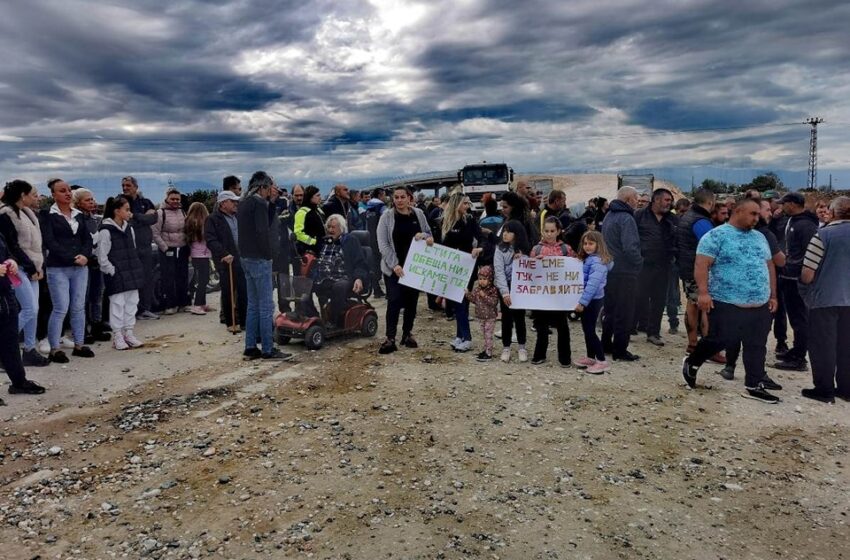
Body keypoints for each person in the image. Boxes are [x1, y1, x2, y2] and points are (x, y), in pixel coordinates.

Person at [681, 198, 781, 403]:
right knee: (719, 339)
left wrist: (773, 295)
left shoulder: (760, 237)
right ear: (737, 212)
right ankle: (693, 361)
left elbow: (769, 266)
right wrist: (703, 293)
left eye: (758, 214)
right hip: (727, 300)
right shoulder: (716, 236)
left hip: (759, 302)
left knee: (757, 344)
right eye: (753, 214)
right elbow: (702, 264)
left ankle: (754, 384)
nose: (757, 218)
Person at [718, 200, 787, 380]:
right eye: (761, 211)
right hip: (735, 296)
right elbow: (779, 261)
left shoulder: (763, 235)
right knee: (741, 334)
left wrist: (772, 295)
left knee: (756, 338)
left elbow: (770, 265)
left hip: (759, 296)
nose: (767, 214)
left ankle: (752, 374)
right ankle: (740, 369)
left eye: (762, 212)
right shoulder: (763, 234)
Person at [799, 196, 850, 403]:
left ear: (833, 211)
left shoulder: (823, 235)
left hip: (825, 299)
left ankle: (824, 389)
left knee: (823, 345)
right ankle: (846, 388)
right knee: (846, 345)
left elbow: (808, 273)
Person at [237, 171, 293, 361]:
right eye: (270, 187)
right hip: (260, 258)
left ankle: (250, 346)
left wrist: (272, 203)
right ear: (263, 187)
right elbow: (263, 231)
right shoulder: (259, 203)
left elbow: (262, 223)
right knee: (266, 305)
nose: (272, 190)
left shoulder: (244, 203)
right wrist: (269, 255)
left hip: (245, 257)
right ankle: (268, 348)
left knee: (253, 304)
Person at [40, 178, 94, 363]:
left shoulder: (78, 215)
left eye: (69, 190)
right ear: (53, 194)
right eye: (62, 191)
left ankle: (79, 344)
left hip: (80, 267)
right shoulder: (47, 214)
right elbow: (49, 241)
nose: (67, 193)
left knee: (78, 307)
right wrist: (71, 258)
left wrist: (85, 256)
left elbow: (86, 239)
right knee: (61, 307)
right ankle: (55, 348)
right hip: (58, 268)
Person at [376, 185, 433, 354]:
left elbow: (428, 233)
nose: (399, 200)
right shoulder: (386, 217)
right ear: (392, 199)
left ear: (409, 198)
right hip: (393, 267)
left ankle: (407, 333)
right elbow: (383, 244)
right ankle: (390, 337)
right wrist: (395, 264)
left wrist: (427, 238)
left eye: (403, 197)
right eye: (396, 197)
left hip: (414, 267)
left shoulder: (419, 214)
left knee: (411, 302)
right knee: (393, 301)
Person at [0, 180, 49, 366]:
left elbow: (37, 243)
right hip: (17, 267)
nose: (34, 197)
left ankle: (29, 350)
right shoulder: (6, 215)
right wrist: (31, 266)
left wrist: (37, 266)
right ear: (22, 195)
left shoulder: (27, 213)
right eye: (32, 194)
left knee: (33, 310)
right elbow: (13, 245)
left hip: (32, 267)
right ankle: (4, 347)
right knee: (29, 309)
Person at [774, 192, 819, 371]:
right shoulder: (793, 221)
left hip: (796, 278)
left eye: (783, 204)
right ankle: (796, 350)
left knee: (800, 318)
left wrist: (798, 271)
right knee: (794, 317)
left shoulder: (806, 225)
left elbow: (809, 253)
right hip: (788, 275)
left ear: (792, 204)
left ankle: (800, 358)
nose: (781, 207)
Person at [0, 234, 46, 403]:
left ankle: (19, 382)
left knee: (10, 343)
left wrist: (12, 262)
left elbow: (7, 253)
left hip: (5, 294)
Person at [96, 196, 145, 350]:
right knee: (117, 304)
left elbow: (133, 248)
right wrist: (112, 270)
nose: (129, 213)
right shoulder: (105, 231)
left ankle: (128, 333)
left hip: (131, 271)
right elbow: (102, 256)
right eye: (127, 209)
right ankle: (117, 335)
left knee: (132, 302)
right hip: (117, 274)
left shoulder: (129, 228)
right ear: (117, 211)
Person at [601, 186, 643, 361]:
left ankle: (605, 345)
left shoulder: (609, 215)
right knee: (625, 313)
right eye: (636, 198)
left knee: (609, 310)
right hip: (625, 272)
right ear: (627, 200)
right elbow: (630, 247)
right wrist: (640, 262)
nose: (638, 201)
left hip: (610, 270)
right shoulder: (626, 219)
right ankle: (620, 350)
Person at [441, 192, 485, 351]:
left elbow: (481, 237)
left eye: (468, 204)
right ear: (456, 204)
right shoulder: (447, 222)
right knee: (457, 302)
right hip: (452, 267)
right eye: (465, 203)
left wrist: (479, 248)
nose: (467, 206)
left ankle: (466, 337)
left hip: (467, 267)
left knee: (461, 301)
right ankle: (460, 335)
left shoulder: (470, 221)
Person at [309, 214, 370, 325]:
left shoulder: (350, 241)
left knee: (339, 287)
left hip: (344, 277)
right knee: (304, 286)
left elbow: (360, 263)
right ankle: (313, 317)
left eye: (334, 227)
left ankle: (334, 321)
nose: (331, 230)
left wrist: (359, 278)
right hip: (324, 277)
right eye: (329, 227)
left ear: (341, 229)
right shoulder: (324, 241)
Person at [633, 188, 675, 346]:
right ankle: (630, 327)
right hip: (643, 265)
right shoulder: (639, 215)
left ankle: (653, 333)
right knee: (638, 297)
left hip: (663, 266)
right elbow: (632, 238)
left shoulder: (671, 219)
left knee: (659, 300)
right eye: (667, 200)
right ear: (656, 200)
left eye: (670, 201)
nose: (669, 204)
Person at [677, 188, 716, 353]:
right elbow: (712, 246)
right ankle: (707, 347)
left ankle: (693, 344)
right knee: (705, 307)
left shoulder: (687, 216)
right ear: (710, 202)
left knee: (692, 304)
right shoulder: (701, 221)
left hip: (686, 267)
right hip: (698, 269)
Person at [529, 217, 573, 367]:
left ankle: (565, 358)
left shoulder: (566, 249)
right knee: (541, 326)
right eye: (546, 231)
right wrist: (534, 262)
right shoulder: (536, 249)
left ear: (558, 231)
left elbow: (573, 270)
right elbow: (529, 271)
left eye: (552, 231)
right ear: (542, 231)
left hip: (559, 295)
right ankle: (539, 354)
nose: (549, 234)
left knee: (562, 326)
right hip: (542, 295)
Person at [72, 188, 111, 344]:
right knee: (83, 297)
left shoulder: (97, 220)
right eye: (87, 200)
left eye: (92, 199)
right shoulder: (75, 220)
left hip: (97, 262)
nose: (92, 202)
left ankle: (96, 324)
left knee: (97, 295)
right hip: (83, 263)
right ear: (79, 202)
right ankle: (83, 329)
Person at [206, 190, 246, 331]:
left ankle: (244, 320)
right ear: (223, 203)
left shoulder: (237, 217)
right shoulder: (213, 219)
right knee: (228, 290)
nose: (236, 203)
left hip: (241, 258)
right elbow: (211, 240)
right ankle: (230, 322)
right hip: (226, 260)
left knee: (243, 290)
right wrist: (223, 253)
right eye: (232, 201)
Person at [121, 176, 159, 320]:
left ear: (136, 187)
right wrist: (143, 217)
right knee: (131, 281)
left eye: (128, 185)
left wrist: (135, 216)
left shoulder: (145, 202)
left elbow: (153, 219)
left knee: (147, 278)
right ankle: (131, 312)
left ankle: (145, 309)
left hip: (145, 247)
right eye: (123, 185)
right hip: (128, 248)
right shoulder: (120, 202)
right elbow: (124, 218)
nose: (125, 188)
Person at [574, 231, 612, 374]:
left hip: (592, 300)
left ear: (599, 244)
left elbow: (592, 284)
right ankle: (591, 357)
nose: (587, 246)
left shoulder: (597, 261)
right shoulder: (590, 259)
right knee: (586, 329)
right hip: (590, 299)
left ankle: (602, 361)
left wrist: (583, 302)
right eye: (585, 243)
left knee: (590, 330)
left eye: (591, 243)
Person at [493, 220, 531, 363]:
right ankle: (506, 347)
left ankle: (522, 347)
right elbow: (499, 271)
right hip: (506, 288)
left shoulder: (524, 249)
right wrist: (504, 292)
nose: (505, 234)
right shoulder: (499, 249)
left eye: (509, 231)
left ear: (517, 234)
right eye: (504, 231)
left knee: (520, 318)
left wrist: (522, 259)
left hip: (520, 288)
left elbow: (529, 268)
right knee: (506, 318)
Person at [152, 187, 189, 315]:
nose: (175, 201)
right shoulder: (161, 213)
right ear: (167, 199)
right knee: (168, 277)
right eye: (172, 198)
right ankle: (170, 304)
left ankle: (183, 303)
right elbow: (155, 233)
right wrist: (165, 247)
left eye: (177, 199)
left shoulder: (183, 212)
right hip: (168, 249)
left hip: (182, 248)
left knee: (183, 276)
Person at [665, 197, 690, 335]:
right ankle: (673, 323)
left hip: (685, 262)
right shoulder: (672, 221)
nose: (684, 214)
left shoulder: (690, 223)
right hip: (673, 262)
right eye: (682, 211)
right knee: (672, 294)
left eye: (686, 211)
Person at [465, 265, 499, 362]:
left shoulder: (493, 290)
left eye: (484, 279)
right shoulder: (477, 289)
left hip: (490, 317)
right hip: (480, 317)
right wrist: (467, 294)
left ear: (490, 279)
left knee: (488, 335)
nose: (482, 281)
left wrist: (484, 296)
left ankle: (488, 353)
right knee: (484, 335)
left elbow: (494, 302)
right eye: (480, 279)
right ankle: (485, 350)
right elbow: (474, 300)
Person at [185, 202, 213, 315]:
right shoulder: (202, 224)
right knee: (203, 280)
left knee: (201, 280)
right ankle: (197, 305)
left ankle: (202, 303)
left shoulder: (189, 222)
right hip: (202, 254)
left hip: (195, 254)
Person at [294, 185, 326, 256]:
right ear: (310, 197)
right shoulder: (302, 212)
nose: (320, 197)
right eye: (317, 195)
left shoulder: (319, 210)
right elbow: (298, 234)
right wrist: (314, 242)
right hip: (309, 251)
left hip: (321, 248)